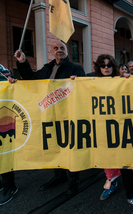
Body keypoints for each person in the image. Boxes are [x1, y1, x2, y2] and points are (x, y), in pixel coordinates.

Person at [13, 40, 85, 195]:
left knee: (70, 148)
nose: (59, 50)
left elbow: (83, 92)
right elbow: (31, 80)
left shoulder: (76, 69)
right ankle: (59, 176)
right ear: (52, 52)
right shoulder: (47, 69)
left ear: (67, 51)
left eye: (62, 48)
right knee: (53, 147)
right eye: (56, 48)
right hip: (49, 116)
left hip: (69, 117)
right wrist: (23, 62)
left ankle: (74, 181)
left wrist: (78, 82)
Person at [92, 55, 122, 200]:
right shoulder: (90, 81)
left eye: (109, 65)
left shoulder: (121, 81)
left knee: (122, 152)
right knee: (106, 153)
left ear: (113, 67)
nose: (106, 68)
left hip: (120, 124)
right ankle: (111, 180)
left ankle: (122, 180)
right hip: (102, 124)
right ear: (98, 67)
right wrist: (74, 81)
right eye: (103, 65)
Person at [0, 65, 18, 205]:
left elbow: (9, 80)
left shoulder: (1, 68)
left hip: (3, 116)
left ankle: (9, 187)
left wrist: (11, 81)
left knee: (3, 152)